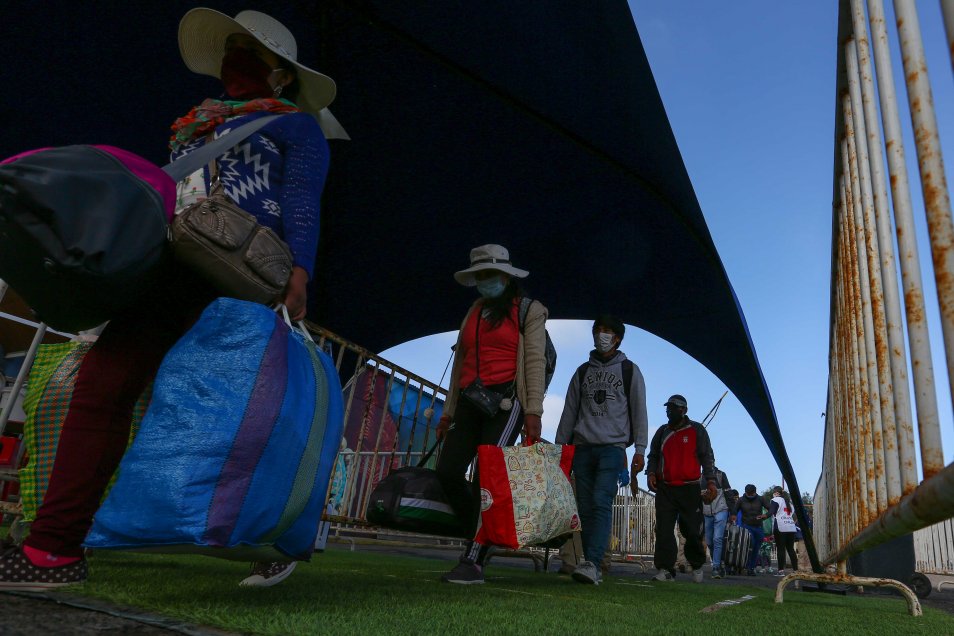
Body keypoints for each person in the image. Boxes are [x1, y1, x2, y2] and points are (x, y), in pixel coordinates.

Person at [0, 8, 341, 591]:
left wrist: (300, 272)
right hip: (175, 262)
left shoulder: (295, 126)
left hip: (241, 271)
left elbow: (302, 200)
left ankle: (268, 535)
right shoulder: (198, 126)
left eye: (249, 52)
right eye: (230, 49)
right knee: (106, 389)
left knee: (242, 409)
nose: (234, 59)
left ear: (282, 74)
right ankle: (54, 544)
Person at [435, 244, 548, 585]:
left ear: (506, 275)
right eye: (480, 275)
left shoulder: (529, 310)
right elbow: (459, 363)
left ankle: (474, 559)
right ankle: (481, 531)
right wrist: (447, 413)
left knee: (487, 476)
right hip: (469, 401)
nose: (485, 280)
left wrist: (533, 411)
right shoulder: (474, 311)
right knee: (447, 470)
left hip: (506, 403)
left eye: (491, 274)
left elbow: (534, 360)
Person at [554, 315, 648, 585]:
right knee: (584, 508)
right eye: (598, 330)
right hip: (582, 447)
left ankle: (593, 563)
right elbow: (569, 411)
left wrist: (640, 449)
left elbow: (639, 411)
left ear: (617, 338)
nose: (601, 335)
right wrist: (561, 448)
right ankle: (588, 561)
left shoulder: (629, 370)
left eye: (607, 331)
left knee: (601, 502)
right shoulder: (582, 371)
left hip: (612, 448)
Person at [646, 395, 717, 583]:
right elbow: (653, 456)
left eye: (674, 408)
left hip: (690, 488)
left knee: (692, 530)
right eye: (668, 408)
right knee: (663, 530)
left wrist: (711, 481)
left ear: (684, 410)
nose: (669, 411)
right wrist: (651, 473)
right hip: (665, 488)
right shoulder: (662, 431)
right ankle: (665, 569)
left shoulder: (697, 430)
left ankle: (697, 565)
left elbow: (707, 457)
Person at [700, 466, 733, 579]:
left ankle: (716, 567)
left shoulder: (720, 475)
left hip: (721, 509)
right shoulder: (699, 477)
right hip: (706, 512)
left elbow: (728, 493)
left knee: (717, 538)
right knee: (709, 541)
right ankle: (719, 561)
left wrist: (732, 512)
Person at [735, 483, 769, 575]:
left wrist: (766, 515)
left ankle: (751, 568)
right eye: (748, 494)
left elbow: (770, 508)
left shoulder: (761, 499)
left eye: (752, 494)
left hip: (758, 527)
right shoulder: (741, 500)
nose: (750, 496)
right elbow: (734, 510)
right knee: (750, 545)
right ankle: (744, 566)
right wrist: (733, 518)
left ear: (755, 492)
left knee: (756, 548)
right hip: (746, 526)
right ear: (745, 492)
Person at [769, 487, 798, 576]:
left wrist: (764, 516)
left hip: (780, 526)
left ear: (776, 493)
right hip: (791, 527)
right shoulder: (789, 503)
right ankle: (796, 570)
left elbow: (772, 511)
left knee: (780, 549)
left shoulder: (776, 500)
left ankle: (781, 571)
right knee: (791, 549)